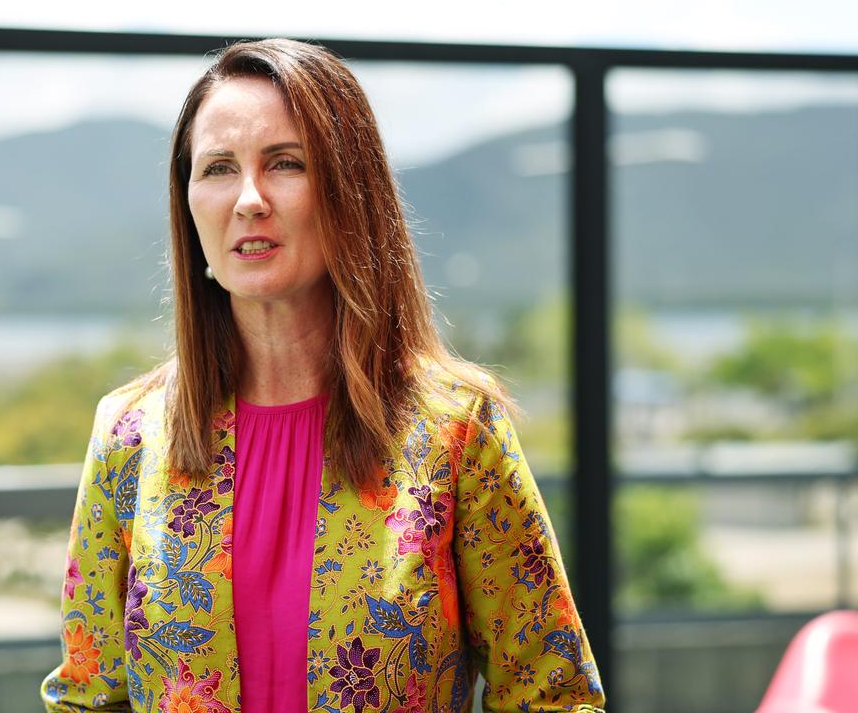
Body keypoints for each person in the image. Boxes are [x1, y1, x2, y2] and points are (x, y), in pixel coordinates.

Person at [41, 38, 605, 713]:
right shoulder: (130, 435)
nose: (249, 198)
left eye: (286, 163)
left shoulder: (455, 430)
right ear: (188, 207)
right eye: (218, 168)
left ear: (350, 191)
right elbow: (86, 697)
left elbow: (554, 694)